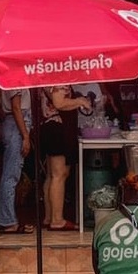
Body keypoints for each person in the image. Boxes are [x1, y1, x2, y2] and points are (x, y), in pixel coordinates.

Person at [39, 84, 92, 231]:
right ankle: (57, 220)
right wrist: (80, 101)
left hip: (50, 126)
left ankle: (49, 217)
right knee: (59, 174)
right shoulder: (57, 77)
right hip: (57, 128)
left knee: (51, 175)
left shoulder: (46, 76)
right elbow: (59, 102)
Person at [0, 86, 32, 234]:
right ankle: (8, 221)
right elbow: (16, 107)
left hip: (14, 124)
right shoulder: (14, 78)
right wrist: (25, 136)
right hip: (16, 125)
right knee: (10, 176)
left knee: (11, 175)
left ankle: (8, 219)